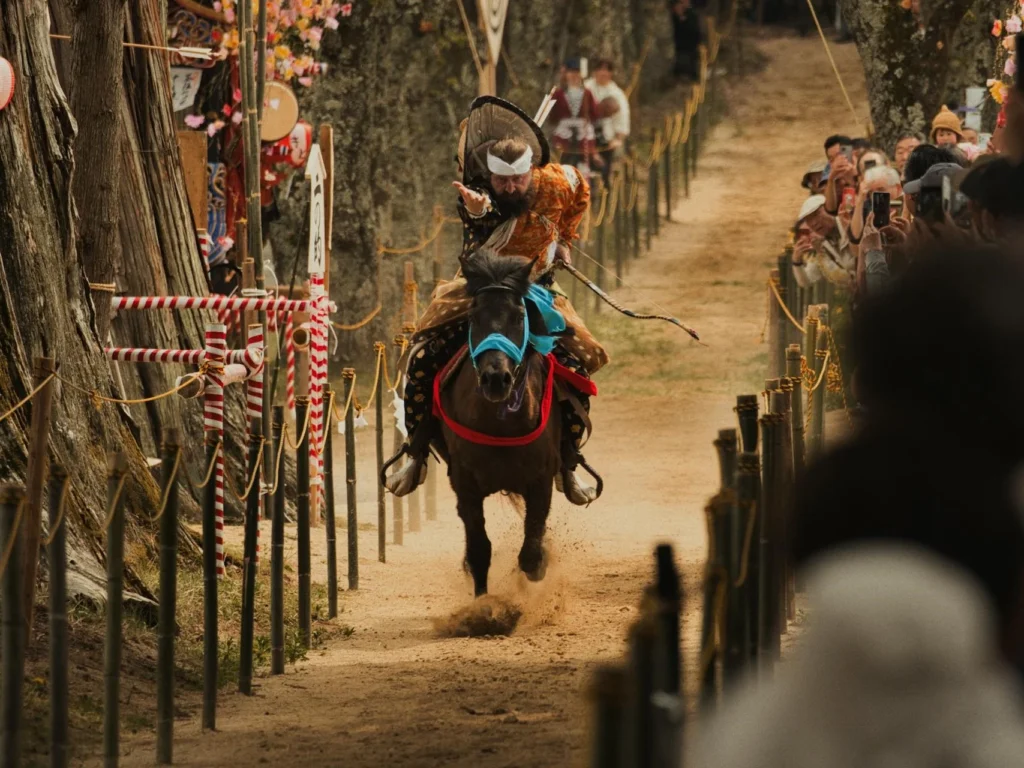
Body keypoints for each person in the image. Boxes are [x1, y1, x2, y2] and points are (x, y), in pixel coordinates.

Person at [390, 100, 607, 506]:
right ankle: (415, 454)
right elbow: (483, 214)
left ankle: (569, 462)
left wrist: (564, 239)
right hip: (479, 288)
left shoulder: (558, 182)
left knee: (582, 359)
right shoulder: (478, 194)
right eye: (500, 181)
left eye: (517, 182)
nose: (508, 189)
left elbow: (583, 188)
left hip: (537, 286)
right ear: (489, 174)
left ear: (531, 173)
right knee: (422, 355)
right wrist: (480, 206)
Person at [549, 59, 602, 181]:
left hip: (582, 128)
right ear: (566, 74)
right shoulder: (558, 93)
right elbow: (553, 115)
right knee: (563, 156)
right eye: (571, 72)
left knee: (583, 155)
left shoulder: (587, 93)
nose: (574, 76)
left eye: (577, 73)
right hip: (564, 129)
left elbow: (594, 113)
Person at [791, 195, 855, 290]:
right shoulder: (820, 244)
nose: (814, 223)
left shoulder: (848, 224)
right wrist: (796, 261)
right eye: (809, 221)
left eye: (816, 215)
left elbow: (848, 275)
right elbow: (806, 282)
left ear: (828, 210)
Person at [585, 59, 631, 185]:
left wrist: (618, 139)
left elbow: (622, 119)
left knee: (605, 173)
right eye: (600, 69)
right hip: (584, 141)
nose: (603, 73)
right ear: (595, 71)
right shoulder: (586, 88)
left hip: (607, 142)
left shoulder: (617, 94)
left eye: (607, 70)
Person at [670, 0, 702, 80]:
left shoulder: (691, 13)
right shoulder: (673, 15)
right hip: (680, 46)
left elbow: (694, 30)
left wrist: (683, 19)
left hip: (691, 45)